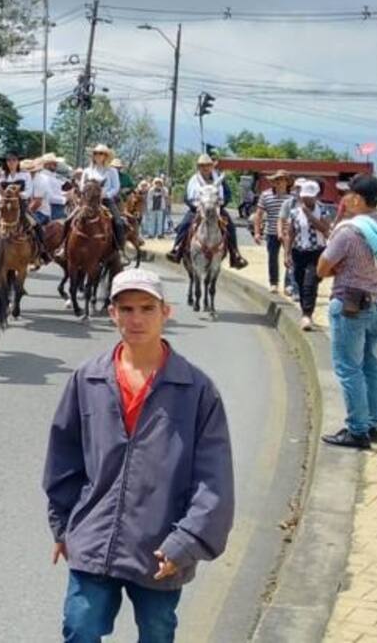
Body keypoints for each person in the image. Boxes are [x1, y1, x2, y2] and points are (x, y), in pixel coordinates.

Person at [44, 268, 234, 642]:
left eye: (147, 308)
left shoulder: (197, 390)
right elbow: (64, 457)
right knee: (79, 627)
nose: (136, 319)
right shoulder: (88, 379)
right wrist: (63, 525)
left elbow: (213, 482)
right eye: (126, 308)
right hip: (94, 540)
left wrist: (185, 543)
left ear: (167, 312)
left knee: (157, 632)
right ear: (112, 313)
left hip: (161, 548)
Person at [317, 174, 377, 449]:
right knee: (371, 365)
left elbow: (322, 268)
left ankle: (357, 430)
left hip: (350, 306)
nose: (344, 198)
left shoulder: (349, 231)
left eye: (348, 194)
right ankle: (373, 425)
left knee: (349, 368)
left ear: (357, 199)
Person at [167, 154, 248, 269]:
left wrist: (220, 205)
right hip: (197, 208)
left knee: (230, 227)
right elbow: (186, 197)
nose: (205, 168)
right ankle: (177, 249)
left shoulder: (219, 179)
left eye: (208, 165)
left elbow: (228, 195)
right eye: (202, 166)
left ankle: (235, 254)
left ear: (212, 166)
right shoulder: (193, 181)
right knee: (184, 225)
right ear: (198, 167)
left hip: (217, 208)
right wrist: (195, 207)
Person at [285, 180, 331, 331]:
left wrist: (310, 216)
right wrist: (287, 254)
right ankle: (306, 310)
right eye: (304, 196)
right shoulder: (294, 212)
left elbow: (325, 229)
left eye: (310, 197)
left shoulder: (322, 210)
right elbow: (290, 233)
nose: (306, 199)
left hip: (317, 252)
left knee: (310, 283)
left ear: (316, 196)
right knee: (299, 281)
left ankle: (307, 314)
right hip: (299, 251)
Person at [71, 144, 126, 258]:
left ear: (105, 156)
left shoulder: (112, 171)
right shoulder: (87, 170)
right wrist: (89, 194)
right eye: (95, 153)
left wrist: (105, 194)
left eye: (100, 153)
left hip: (105, 200)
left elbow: (115, 187)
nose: (97, 156)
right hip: (87, 201)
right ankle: (63, 247)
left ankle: (119, 249)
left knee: (118, 222)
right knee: (69, 219)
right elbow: (82, 186)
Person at [253, 170, 294, 293]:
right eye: (277, 180)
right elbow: (259, 214)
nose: (280, 182)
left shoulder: (293, 197)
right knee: (272, 258)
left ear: (287, 182)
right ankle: (273, 283)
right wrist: (257, 232)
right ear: (273, 182)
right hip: (271, 231)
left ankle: (288, 284)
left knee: (289, 257)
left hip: (288, 232)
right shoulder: (266, 195)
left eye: (282, 180)